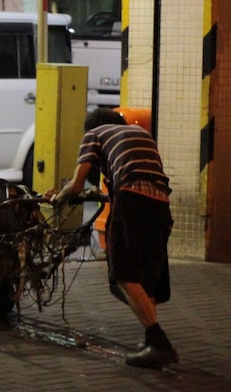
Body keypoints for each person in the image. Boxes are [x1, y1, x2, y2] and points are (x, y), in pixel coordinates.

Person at [48, 108, 178, 368]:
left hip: (132, 199)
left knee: (124, 273)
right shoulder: (141, 133)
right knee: (145, 277)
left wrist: (58, 198)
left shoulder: (94, 134)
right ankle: (151, 342)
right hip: (161, 202)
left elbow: (76, 185)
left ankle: (159, 342)